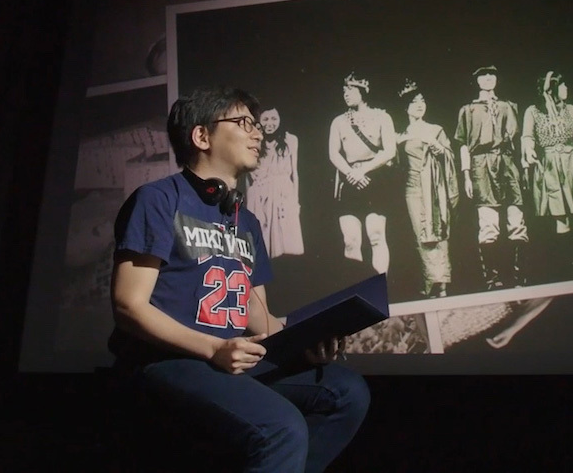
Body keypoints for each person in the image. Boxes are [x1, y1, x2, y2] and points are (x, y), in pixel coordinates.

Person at [108, 86, 370, 473]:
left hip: (227, 358)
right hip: (169, 360)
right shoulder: (159, 199)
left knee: (347, 392)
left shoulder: (245, 221)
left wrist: (307, 342)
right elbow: (128, 306)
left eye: (255, 124)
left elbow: (257, 317)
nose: (257, 133)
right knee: (282, 426)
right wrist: (213, 349)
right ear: (201, 136)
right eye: (242, 122)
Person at [521, 71, 573, 280]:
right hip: (550, 167)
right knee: (561, 220)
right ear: (552, 89)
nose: (566, 89)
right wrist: (529, 151)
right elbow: (527, 136)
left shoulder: (571, 109)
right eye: (563, 85)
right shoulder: (533, 111)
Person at [454, 65, 529, 289]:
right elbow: (464, 146)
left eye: (491, 74)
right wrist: (466, 175)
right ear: (476, 81)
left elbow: (517, 143)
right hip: (481, 165)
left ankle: (519, 278)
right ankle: (493, 279)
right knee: (488, 224)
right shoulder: (468, 110)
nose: (488, 79)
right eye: (483, 75)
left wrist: (522, 168)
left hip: (506, 162)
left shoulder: (508, 106)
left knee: (516, 221)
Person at [395, 79, 459, 298]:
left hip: (433, 187)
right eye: (414, 102)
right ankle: (429, 280)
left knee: (438, 231)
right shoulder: (400, 135)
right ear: (406, 107)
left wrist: (437, 147)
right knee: (420, 234)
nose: (420, 105)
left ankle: (442, 282)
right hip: (411, 188)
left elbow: (449, 156)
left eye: (422, 101)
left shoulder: (435, 129)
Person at [328, 72, 397, 275]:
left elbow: (389, 150)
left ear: (363, 90)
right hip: (348, 178)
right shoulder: (338, 121)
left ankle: (380, 286)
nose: (346, 94)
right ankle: (356, 288)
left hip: (374, 176)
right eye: (344, 91)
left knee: (376, 235)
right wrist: (351, 172)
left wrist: (364, 170)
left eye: (350, 89)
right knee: (351, 240)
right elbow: (333, 153)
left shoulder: (382, 117)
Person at [246, 106, 304, 258]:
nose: (270, 123)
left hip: (283, 195)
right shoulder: (254, 141)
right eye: (265, 119)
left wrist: (296, 202)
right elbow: (247, 178)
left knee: (285, 242)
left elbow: (295, 173)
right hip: (259, 195)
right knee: (263, 243)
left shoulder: (291, 140)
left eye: (274, 119)